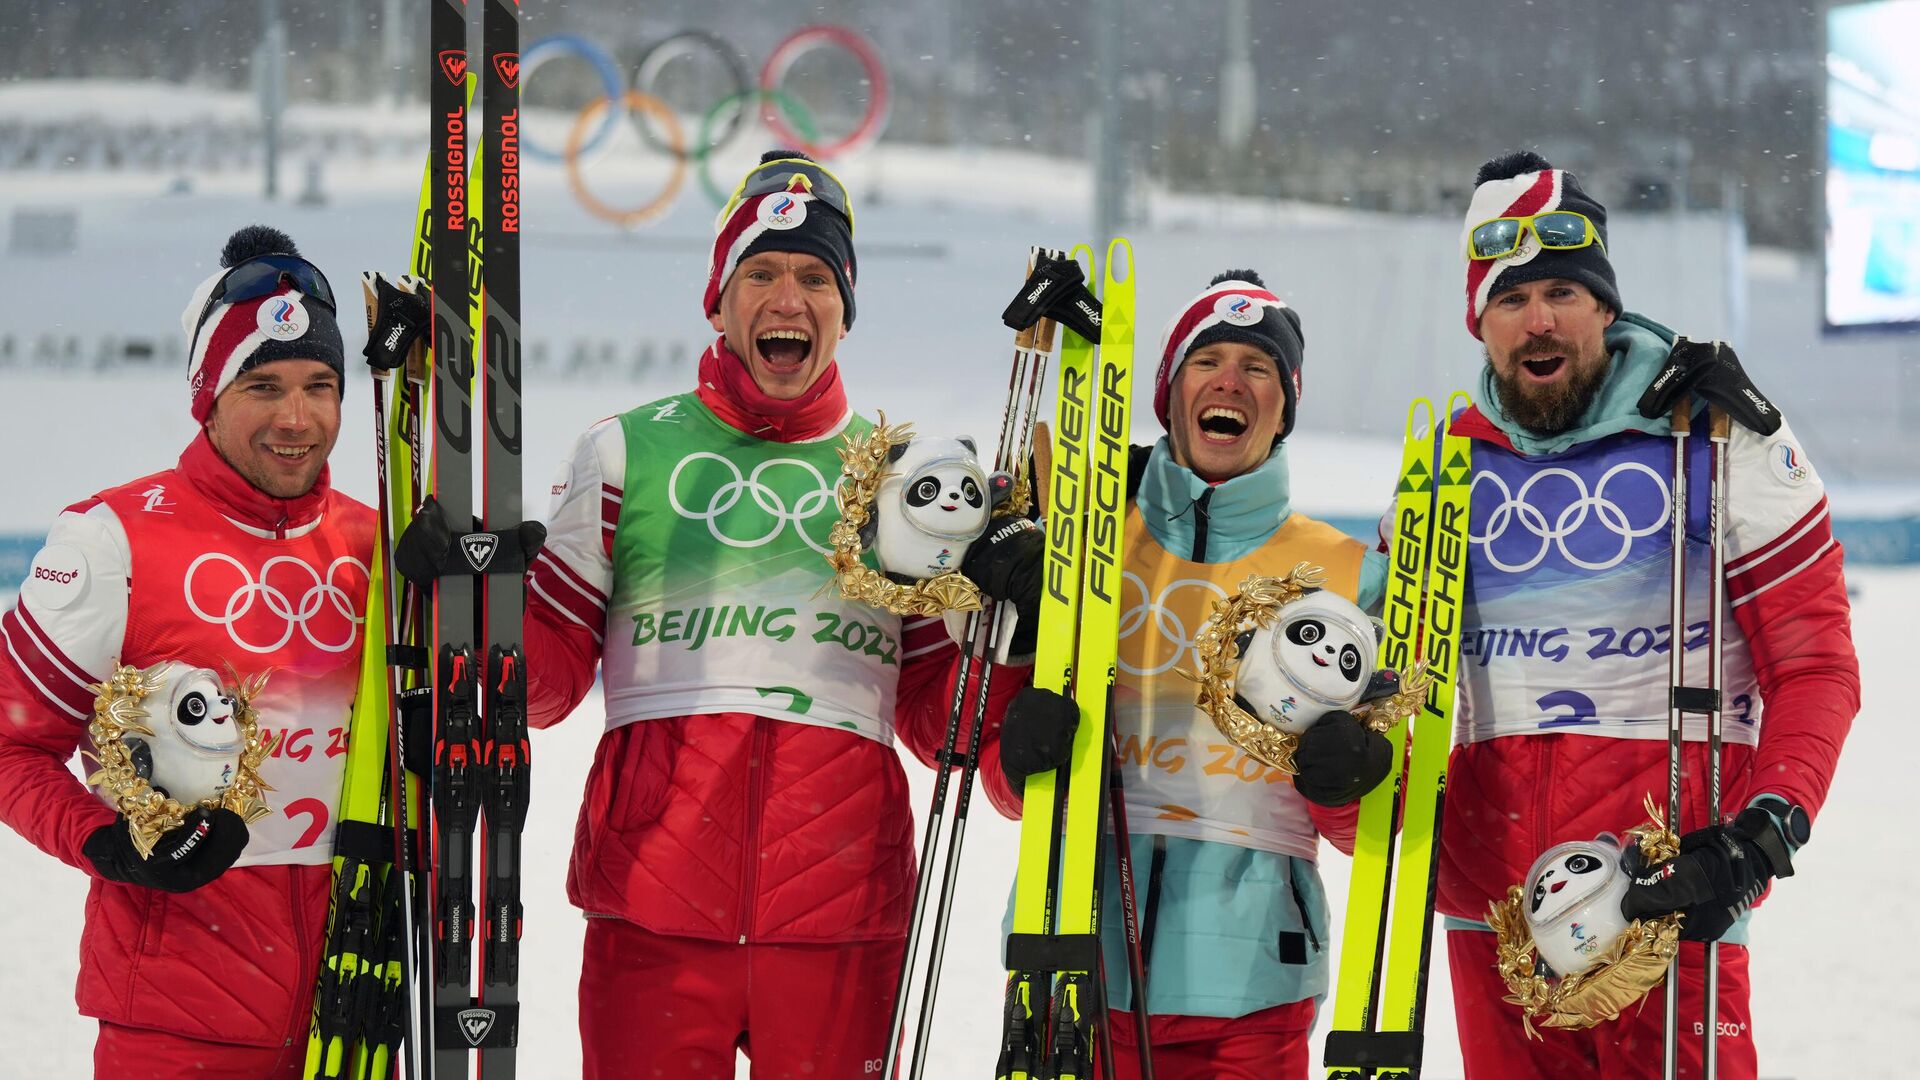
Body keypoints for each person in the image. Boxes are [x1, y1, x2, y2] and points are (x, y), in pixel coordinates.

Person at [517, 150, 1020, 1078]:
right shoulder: (624, 450)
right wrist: (492, 602)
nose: (788, 298)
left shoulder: (900, 478)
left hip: (840, 908)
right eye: (761, 273)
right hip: (652, 901)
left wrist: (1007, 638)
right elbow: (544, 692)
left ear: (843, 310)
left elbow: (935, 714)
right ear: (718, 300)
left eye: (814, 278)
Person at [1437, 151, 1860, 1078]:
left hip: (1674, 898)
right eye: (1511, 299)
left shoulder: (1715, 433)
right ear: (1482, 323)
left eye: (1562, 291)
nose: (1539, 318)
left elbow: (1817, 664)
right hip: (1494, 928)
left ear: (1605, 307)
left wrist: (1762, 834)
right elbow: (1391, 712)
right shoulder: (1442, 474)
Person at [976, 270, 1396, 1078]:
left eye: (1259, 367)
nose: (1231, 381)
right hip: (1069, 961)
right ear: (1169, 395)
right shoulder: (1088, 540)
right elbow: (998, 778)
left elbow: (1367, 826)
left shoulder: (1345, 576)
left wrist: (1349, 781)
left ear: (1285, 409)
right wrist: (1017, 754)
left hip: (1249, 988)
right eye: (1207, 361)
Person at [0, 226, 372, 1078]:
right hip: (176, 1022)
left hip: (360, 1012)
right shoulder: (112, 540)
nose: (296, 417)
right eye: (263, 385)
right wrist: (106, 842)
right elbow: (10, 742)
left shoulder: (374, 545)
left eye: (321, 386)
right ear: (207, 397)